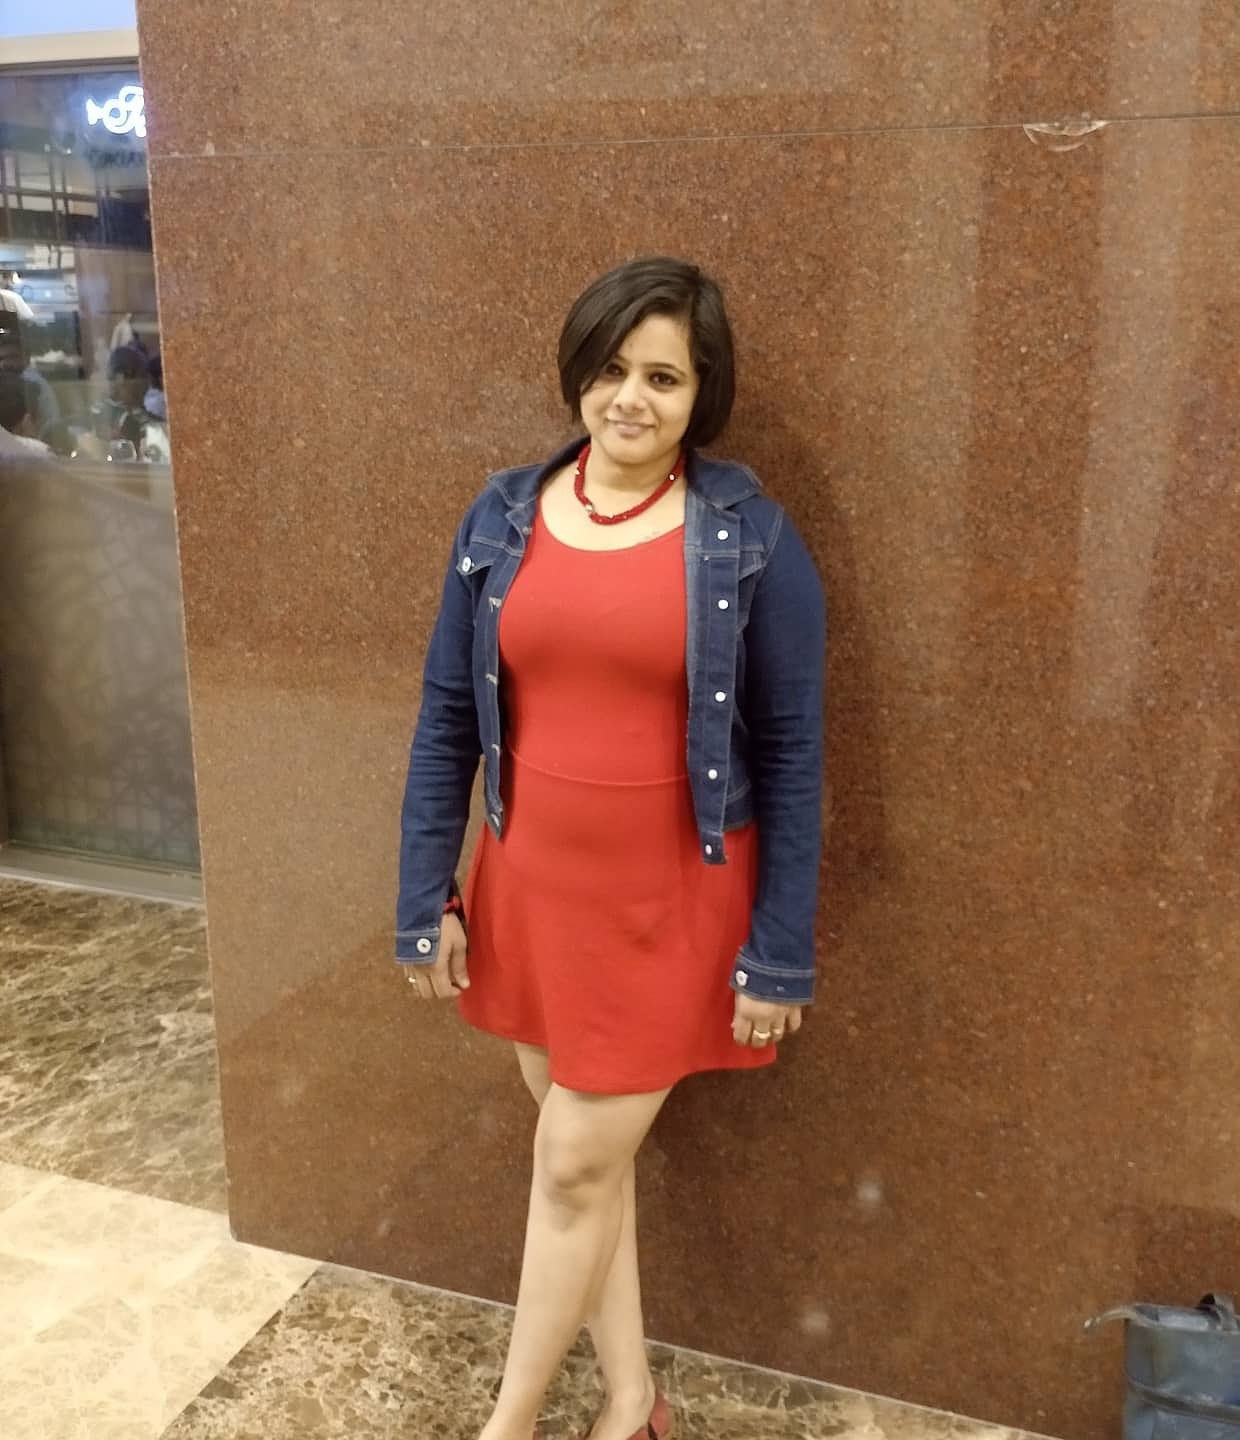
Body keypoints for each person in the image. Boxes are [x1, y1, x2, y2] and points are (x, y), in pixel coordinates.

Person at [395, 256, 826, 1440]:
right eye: (611, 369)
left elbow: (795, 754)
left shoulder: (750, 537)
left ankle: (511, 1423)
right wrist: (427, 894)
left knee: (574, 1167)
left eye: (663, 377)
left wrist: (780, 951)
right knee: (584, 1167)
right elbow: (446, 716)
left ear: (701, 393)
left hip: (669, 902)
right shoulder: (500, 515)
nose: (630, 397)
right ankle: (633, 1403)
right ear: (578, 372)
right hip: (531, 887)